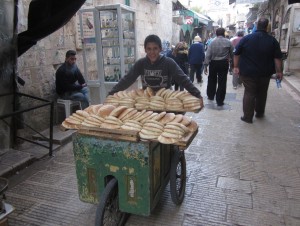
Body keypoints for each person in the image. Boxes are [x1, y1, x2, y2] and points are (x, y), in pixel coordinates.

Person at [108, 34, 202, 101]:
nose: (152, 52)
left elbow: (183, 79)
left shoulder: (168, 62)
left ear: (160, 49)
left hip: (166, 102)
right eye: (149, 49)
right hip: (147, 102)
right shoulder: (141, 63)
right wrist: (111, 94)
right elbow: (127, 79)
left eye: (155, 48)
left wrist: (197, 94)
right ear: (145, 49)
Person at [233, 17, 283, 124]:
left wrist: (236, 66)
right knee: (262, 93)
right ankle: (259, 113)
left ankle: (248, 117)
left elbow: (236, 53)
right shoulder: (272, 40)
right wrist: (279, 72)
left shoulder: (246, 38)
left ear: (256, 26)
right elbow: (277, 58)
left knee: (249, 93)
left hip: (248, 72)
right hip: (265, 73)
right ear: (266, 27)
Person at [204, 28, 234, 106]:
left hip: (213, 63)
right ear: (223, 33)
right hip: (223, 63)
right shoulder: (228, 42)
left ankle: (210, 96)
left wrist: (205, 66)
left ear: (216, 34)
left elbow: (208, 55)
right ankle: (220, 100)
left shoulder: (212, 42)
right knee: (222, 81)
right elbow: (232, 54)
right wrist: (233, 64)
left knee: (212, 79)